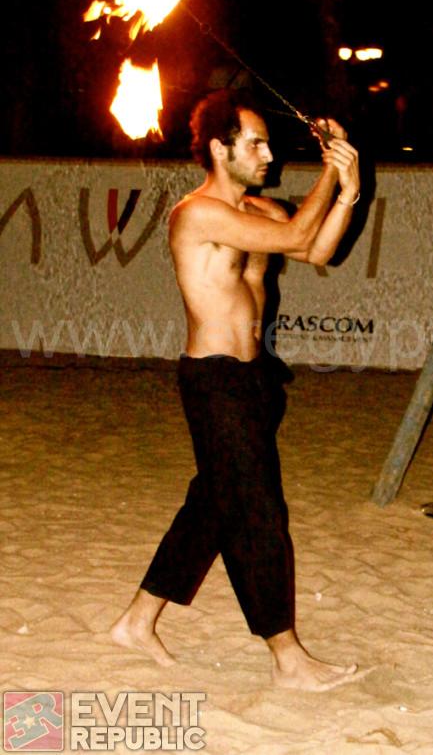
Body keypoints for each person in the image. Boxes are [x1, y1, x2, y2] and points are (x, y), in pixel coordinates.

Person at [111, 88, 361, 692]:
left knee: (214, 504)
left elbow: (317, 247)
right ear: (220, 149)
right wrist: (330, 171)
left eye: (268, 144)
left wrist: (348, 192)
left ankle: (136, 622)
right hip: (215, 379)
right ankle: (287, 656)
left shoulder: (262, 211)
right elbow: (299, 235)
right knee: (258, 511)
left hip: (255, 378)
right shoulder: (195, 215)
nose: (269, 154)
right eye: (255, 143)